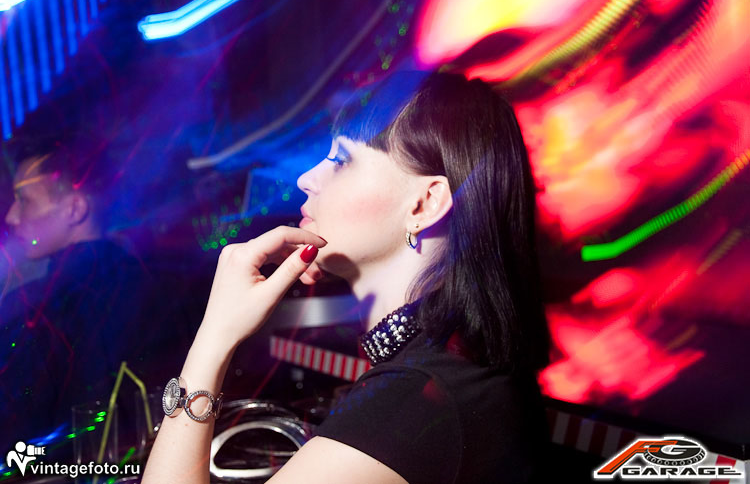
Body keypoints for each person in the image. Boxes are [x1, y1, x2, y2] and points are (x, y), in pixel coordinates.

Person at [142, 72, 551, 483]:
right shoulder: (452, 370)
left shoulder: (415, 401)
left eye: (341, 160)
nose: (306, 179)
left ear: (424, 204)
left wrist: (214, 337)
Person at [0, 135, 167, 450]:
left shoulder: (34, 308)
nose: (11, 216)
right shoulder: (151, 278)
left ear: (74, 209)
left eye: (25, 200)